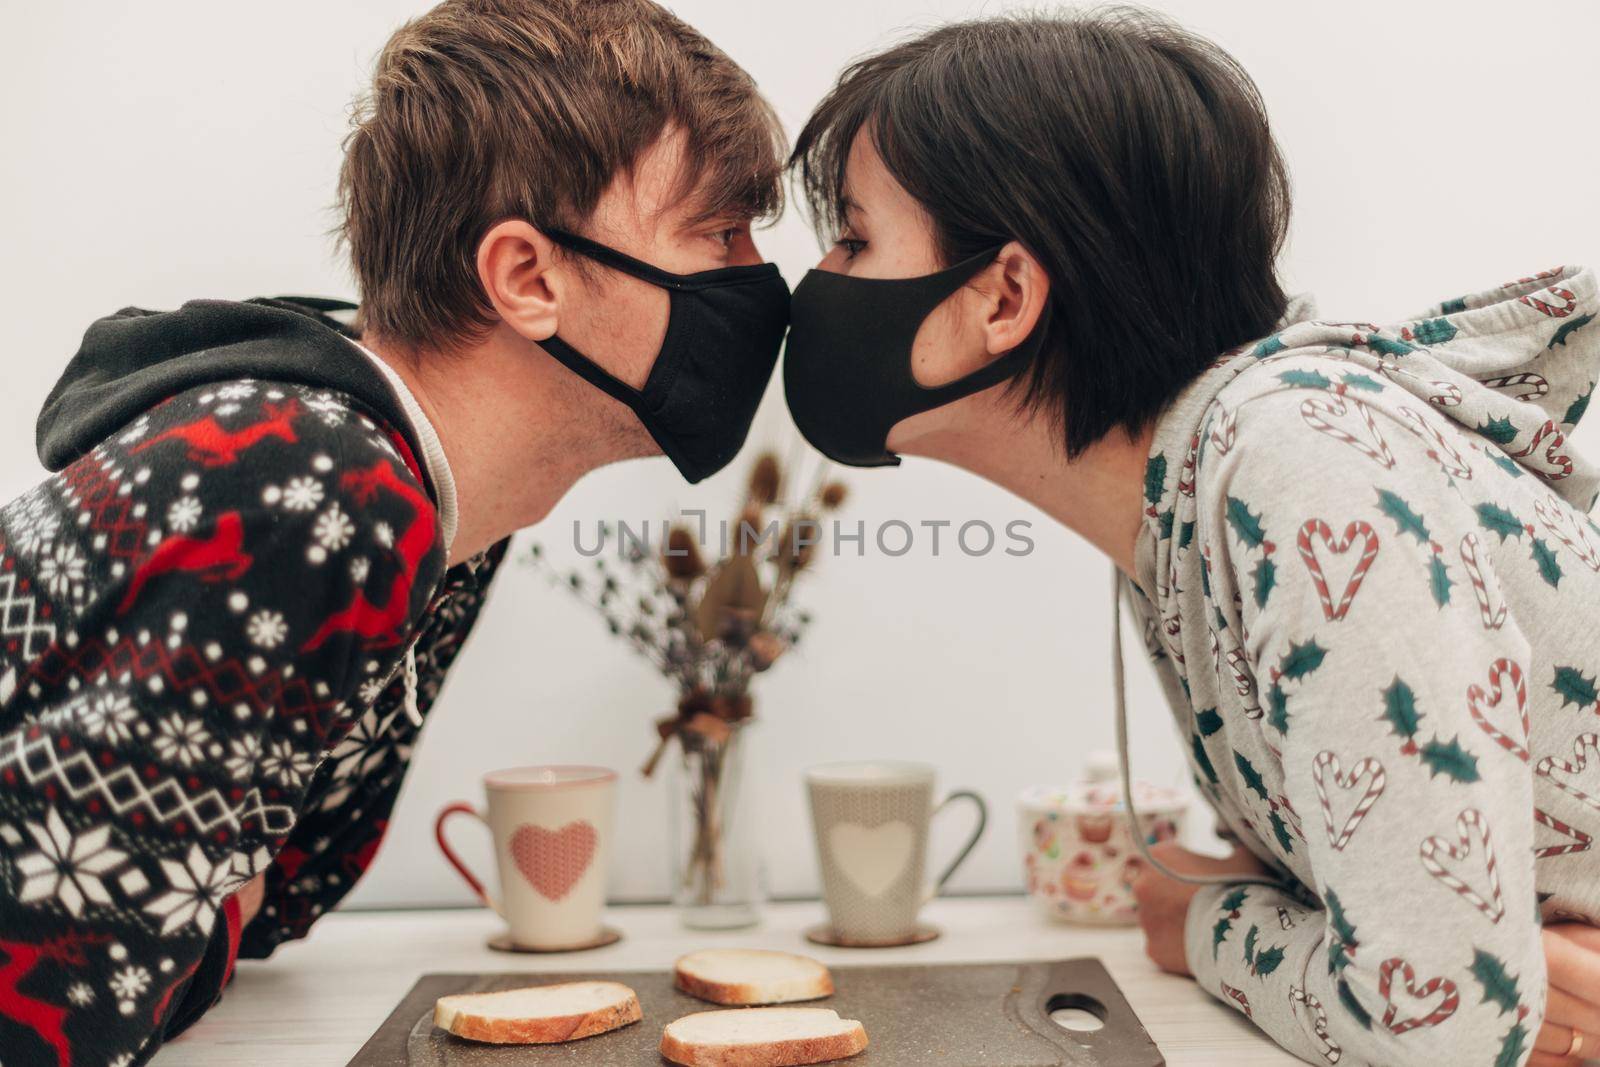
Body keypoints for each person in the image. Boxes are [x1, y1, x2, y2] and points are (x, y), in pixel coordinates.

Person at [783, 9, 1600, 1067]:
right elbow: (1449, 983)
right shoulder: (1202, 488)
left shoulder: (1302, 464)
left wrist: (1198, 921)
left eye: (852, 236)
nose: (820, 284)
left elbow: (1434, 1025)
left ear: (1006, 295)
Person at [0, 1, 787, 1063]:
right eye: (720, 233)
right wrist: (200, 916)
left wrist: (203, 916)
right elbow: (54, 1011)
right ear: (526, 277)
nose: (758, 283)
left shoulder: (436, 503)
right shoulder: (311, 483)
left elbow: (276, 893)